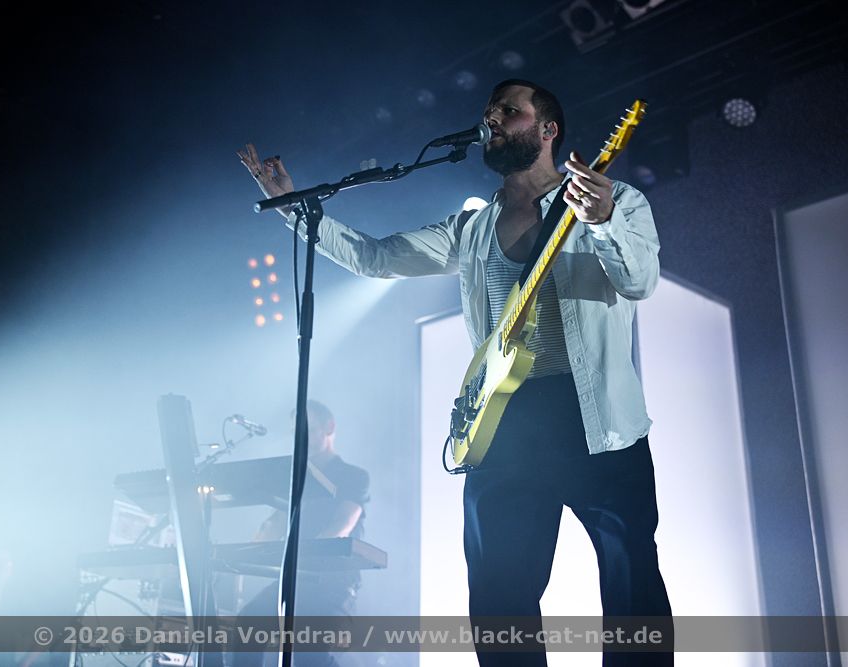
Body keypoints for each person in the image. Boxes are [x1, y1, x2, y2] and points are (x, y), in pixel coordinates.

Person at [239, 79, 673, 666]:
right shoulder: (471, 228)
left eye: (510, 111)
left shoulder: (616, 199)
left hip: (596, 419)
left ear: (549, 130)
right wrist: (294, 207)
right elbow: (376, 257)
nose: (493, 118)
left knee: (631, 582)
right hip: (505, 423)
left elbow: (639, 282)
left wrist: (602, 220)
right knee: (498, 598)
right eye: (490, 110)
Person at [231, 399, 369, 667]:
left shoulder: (353, 476)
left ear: (329, 427)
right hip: (295, 578)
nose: (302, 437)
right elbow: (275, 524)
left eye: (309, 429)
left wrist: (306, 553)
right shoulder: (297, 477)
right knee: (248, 624)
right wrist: (249, 551)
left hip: (332, 582)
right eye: (297, 431)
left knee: (310, 651)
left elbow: (343, 523)